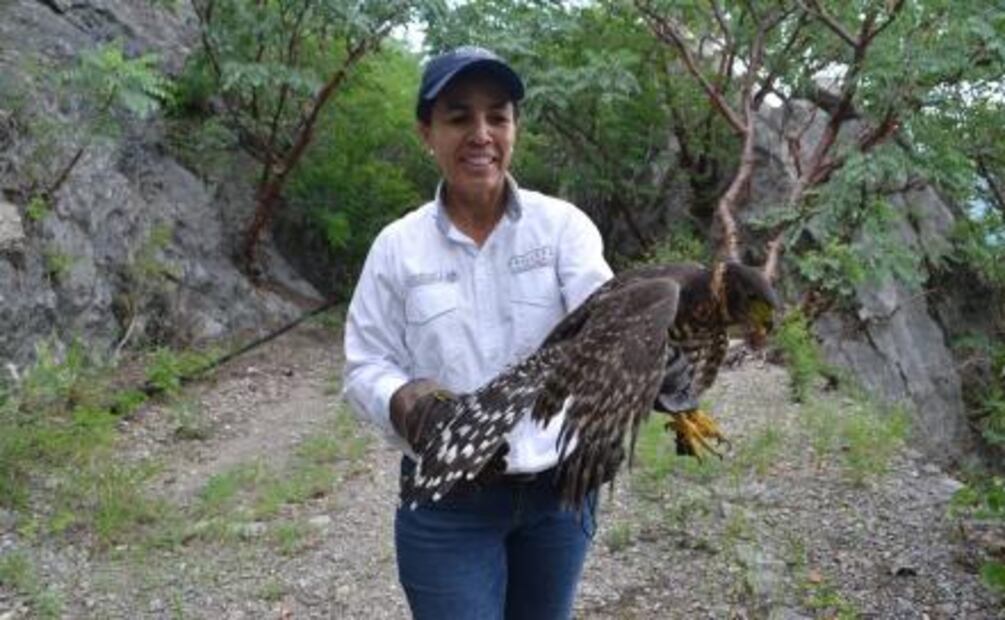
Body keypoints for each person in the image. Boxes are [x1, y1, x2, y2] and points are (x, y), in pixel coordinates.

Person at [342, 46, 613, 620]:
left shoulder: (563, 228)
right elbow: (364, 362)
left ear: (515, 128)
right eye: (459, 116)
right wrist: (405, 403)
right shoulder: (398, 248)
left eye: (498, 115)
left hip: (558, 493)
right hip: (446, 500)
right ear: (427, 133)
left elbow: (609, 327)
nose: (481, 133)